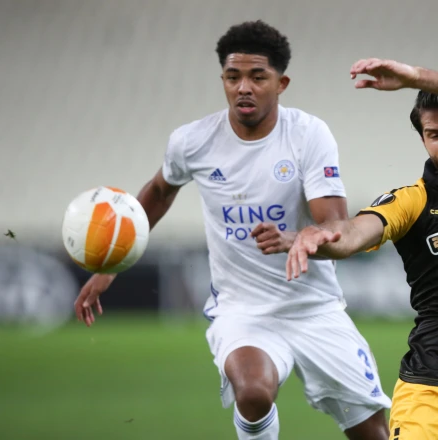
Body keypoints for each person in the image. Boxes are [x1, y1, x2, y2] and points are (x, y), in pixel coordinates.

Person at [74, 23, 390, 439]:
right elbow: (159, 191)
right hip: (242, 311)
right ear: (222, 80)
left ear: (281, 84)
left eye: (258, 77)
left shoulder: (307, 135)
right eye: (232, 76)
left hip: (314, 309)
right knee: (253, 392)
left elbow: (336, 225)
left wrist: (295, 239)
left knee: (372, 434)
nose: (244, 88)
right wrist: (113, 262)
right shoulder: (193, 141)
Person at [287, 58, 438, 440]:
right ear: (422, 138)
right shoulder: (412, 201)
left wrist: (416, 78)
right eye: (435, 134)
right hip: (430, 387)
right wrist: (315, 236)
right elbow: (353, 233)